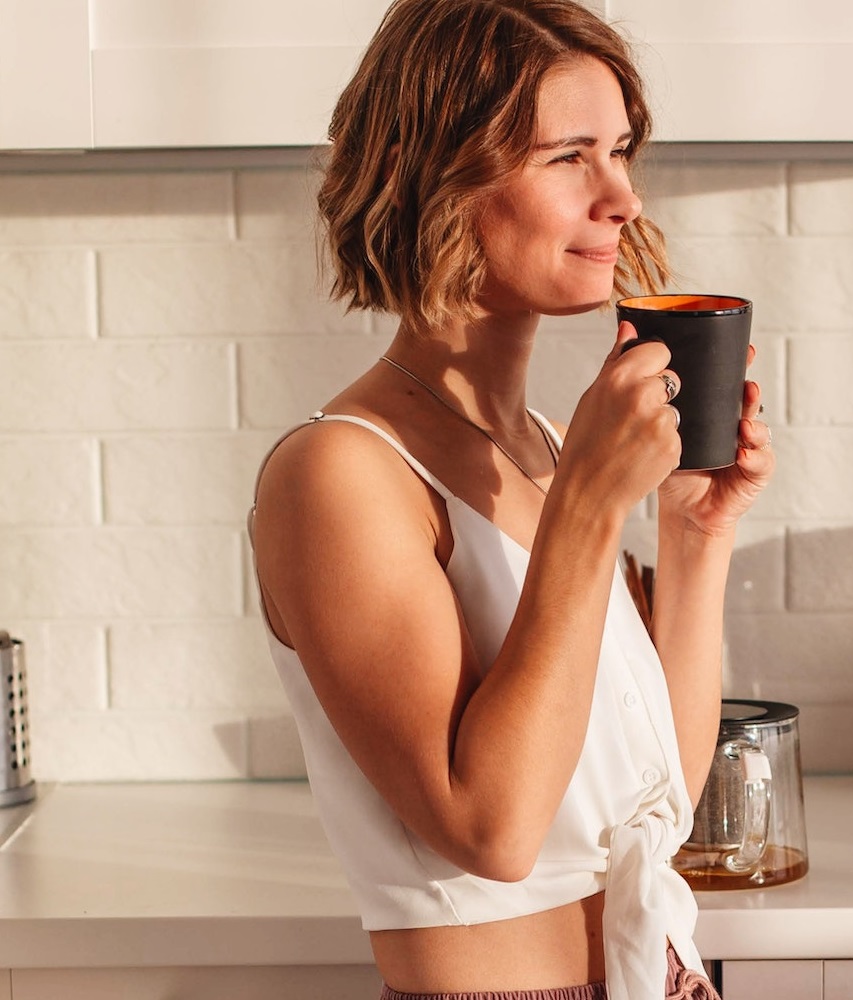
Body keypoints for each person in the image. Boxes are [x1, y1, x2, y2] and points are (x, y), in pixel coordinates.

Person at [248, 1, 774, 998]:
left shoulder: (538, 448)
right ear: (444, 173)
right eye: (570, 154)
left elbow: (656, 804)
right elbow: (492, 826)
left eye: (619, 150)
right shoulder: (339, 473)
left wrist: (696, 532)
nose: (619, 196)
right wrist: (586, 509)